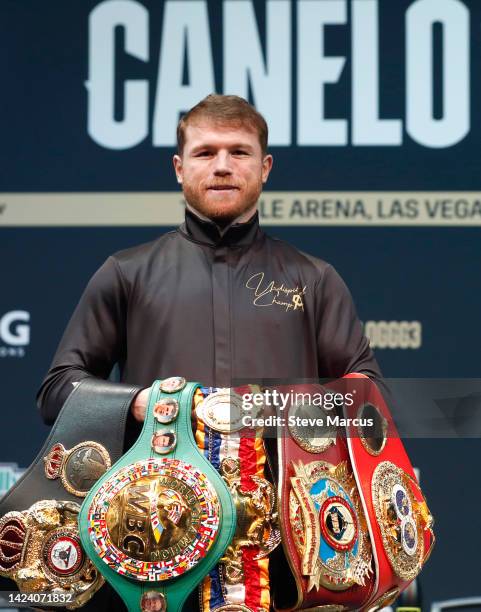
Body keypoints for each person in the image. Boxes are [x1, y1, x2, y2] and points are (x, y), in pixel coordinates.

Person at [36, 94, 382, 610]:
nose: (222, 166)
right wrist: (142, 403)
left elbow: (368, 401)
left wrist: (291, 412)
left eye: (239, 152)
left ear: (264, 168)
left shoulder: (314, 279)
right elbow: (58, 389)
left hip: (289, 548)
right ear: (179, 168)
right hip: (153, 538)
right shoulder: (126, 272)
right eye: (205, 153)